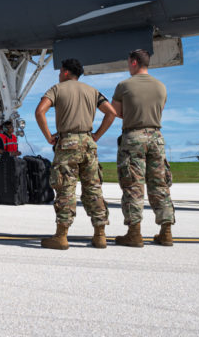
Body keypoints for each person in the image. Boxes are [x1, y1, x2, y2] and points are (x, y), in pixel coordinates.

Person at [35, 58, 115, 249]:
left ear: (65, 72)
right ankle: (100, 235)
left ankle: (61, 236)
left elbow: (40, 111)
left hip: (67, 143)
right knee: (93, 188)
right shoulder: (92, 91)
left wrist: (48, 136)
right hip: (88, 143)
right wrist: (96, 135)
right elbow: (111, 112)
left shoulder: (57, 89)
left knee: (66, 189)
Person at [111, 49, 175, 247]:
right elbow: (160, 110)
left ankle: (134, 233)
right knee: (160, 185)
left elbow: (117, 112)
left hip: (133, 137)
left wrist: (133, 114)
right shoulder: (161, 87)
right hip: (156, 137)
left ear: (133, 62)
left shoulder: (124, 86)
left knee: (133, 186)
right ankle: (166, 232)